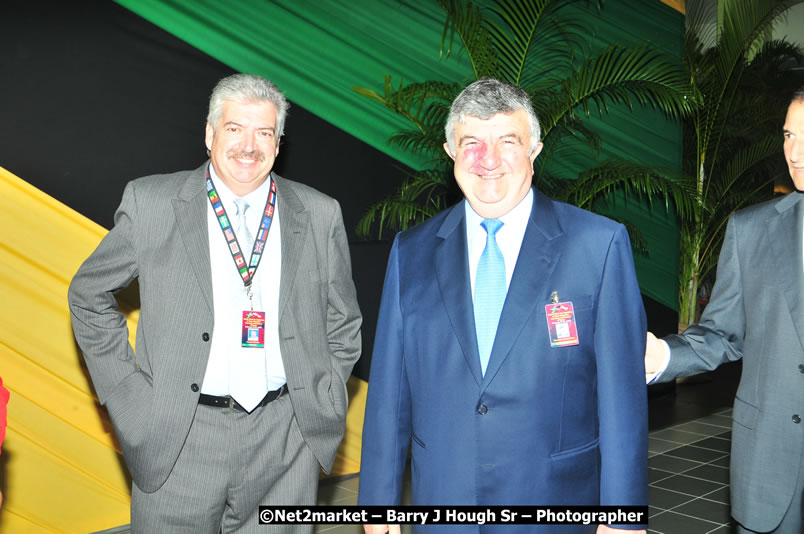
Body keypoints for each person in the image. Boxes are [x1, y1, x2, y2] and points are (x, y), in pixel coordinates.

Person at [68, 74, 362, 533]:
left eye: (263, 133)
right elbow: (88, 296)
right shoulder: (152, 202)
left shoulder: (320, 213)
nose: (249, 146)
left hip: (283, 439)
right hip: (178, 438)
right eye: (234, 129)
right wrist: (129, 396)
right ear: (209, 134)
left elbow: (343, 324)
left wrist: (320, 395)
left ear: (279, 143)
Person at [358, 78, 648, 533]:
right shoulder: (410, 251)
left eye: (507, 141)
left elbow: (622, 401)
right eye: (471, 142)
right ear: (450, 151)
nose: (488, 160)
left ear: (534, 150)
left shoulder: (599, 245)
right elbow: (390, 394)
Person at [645, 88, 804, 534]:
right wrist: (662, 357)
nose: (793, 151)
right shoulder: (752, 229)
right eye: (789, 134)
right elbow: (722, 332)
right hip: (772, 461)